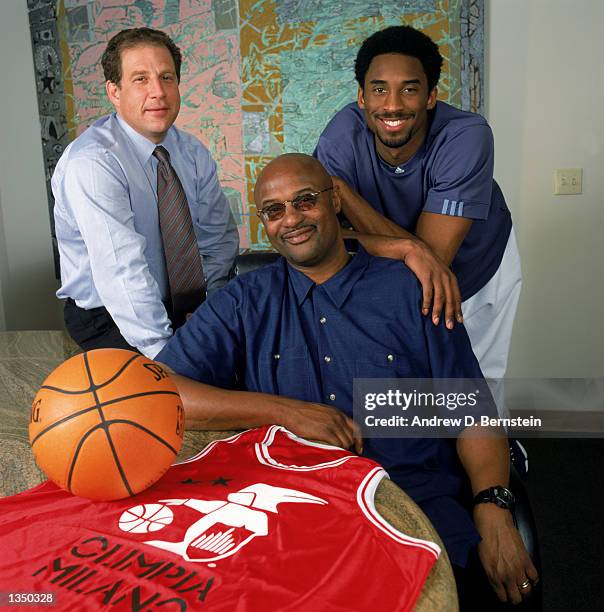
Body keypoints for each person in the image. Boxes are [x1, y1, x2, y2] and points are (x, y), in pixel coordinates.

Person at [156, 153, 538, 607]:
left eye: (305, 201)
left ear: (335, 200)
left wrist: (494, 506)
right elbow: (160, 391)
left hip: (411, 502)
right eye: (274, 210)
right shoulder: (244, 301)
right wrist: (283, 412)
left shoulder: (413, 288)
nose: (291, 219)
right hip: (290, 513)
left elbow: (470, 412)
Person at [314, 26, 522, 413]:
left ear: (431, 96)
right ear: (361, 97)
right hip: (393, 269)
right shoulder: (339, 138)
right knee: (409, 383)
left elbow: (434, 259)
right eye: (378, 89)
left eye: (409, 89)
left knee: (477, 379)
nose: (392, 105)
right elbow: (331, 241)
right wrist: (408, 248)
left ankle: (504, 456)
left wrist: (345, 194)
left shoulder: (466, 135)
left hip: (477, 265)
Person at [52, 28, 239, 358]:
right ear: (114, 92)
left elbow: (218, 240)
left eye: (166, 77)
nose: (158, 92)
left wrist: (210, 310)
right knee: (181, 400)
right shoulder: (94, 163)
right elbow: (122, 271)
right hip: (109, 315)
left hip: (182, 304)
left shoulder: (191, 152)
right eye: (140, 79)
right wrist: (169, 358)